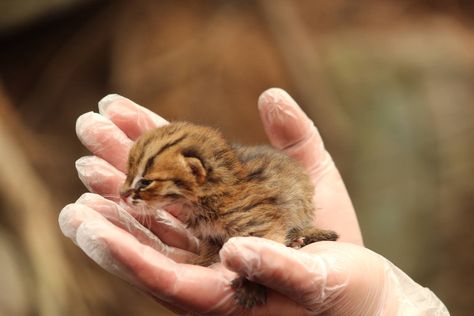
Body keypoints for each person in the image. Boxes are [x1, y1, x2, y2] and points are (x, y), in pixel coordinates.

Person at [59, 88, 449, 315]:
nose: (128, 194)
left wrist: (380, 306)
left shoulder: (231, 206)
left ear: (197, 175)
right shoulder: (197, 211)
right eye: (131, 178)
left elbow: (265, 234)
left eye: (144, 184)